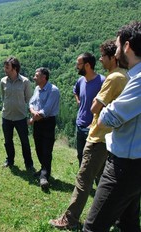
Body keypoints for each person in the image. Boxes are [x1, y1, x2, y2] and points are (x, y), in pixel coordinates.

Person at [49, 40, 128, 230]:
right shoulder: (124, 75)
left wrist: (95, 104)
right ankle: (119, 220)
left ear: (112, 58)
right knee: (106, 181)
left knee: (83, 179)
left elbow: (95, 107)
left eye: (103, 56)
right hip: (109, 137)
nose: (101, 59)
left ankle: (70, 219)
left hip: (98, 137)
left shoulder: (112, 78)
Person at [83, 21, 141, 232]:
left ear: (127, 47)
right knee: (128, 225)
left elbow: (108, 117)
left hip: (124, 167)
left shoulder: (139, 80)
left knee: (93, 227)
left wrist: (106, 110)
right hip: (134, 164)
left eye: (117, 47)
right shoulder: (133, 77)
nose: (115, 53)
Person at [0, 56, 34, 171]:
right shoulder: (3, 81)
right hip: (7, 116)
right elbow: (3, 97)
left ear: (14, 68)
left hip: (20, 117)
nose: (5, 69)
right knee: (8, 141)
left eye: (7, 67)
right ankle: (10, 160)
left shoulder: (25, 82)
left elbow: (29, 100)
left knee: (25, 142)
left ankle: (29, 164)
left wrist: (31, 117)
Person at [29, 67, 60, 190]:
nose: (34, 77)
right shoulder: (37, 88)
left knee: (47, 149)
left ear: (44, 77)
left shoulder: (53, 90)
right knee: (38, 148)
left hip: (47, 123)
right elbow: (31, 103)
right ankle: (43, 169)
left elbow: (45, 111)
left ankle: (44, 176)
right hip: (38, 122)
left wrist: (33, 118)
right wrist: (33, 113)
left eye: (36, 75)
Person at [73, 53, 105, 166]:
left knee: (93, 160)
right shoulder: (81, 80)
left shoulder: (102, 82)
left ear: (87, 65)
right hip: (80, 125)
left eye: (78, 64)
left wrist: (93, 124)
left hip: (93, 128)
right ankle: (84, 183)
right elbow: (75, 91)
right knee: (80, 156)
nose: (76, 66)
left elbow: (106, 106)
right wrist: (78, 101)